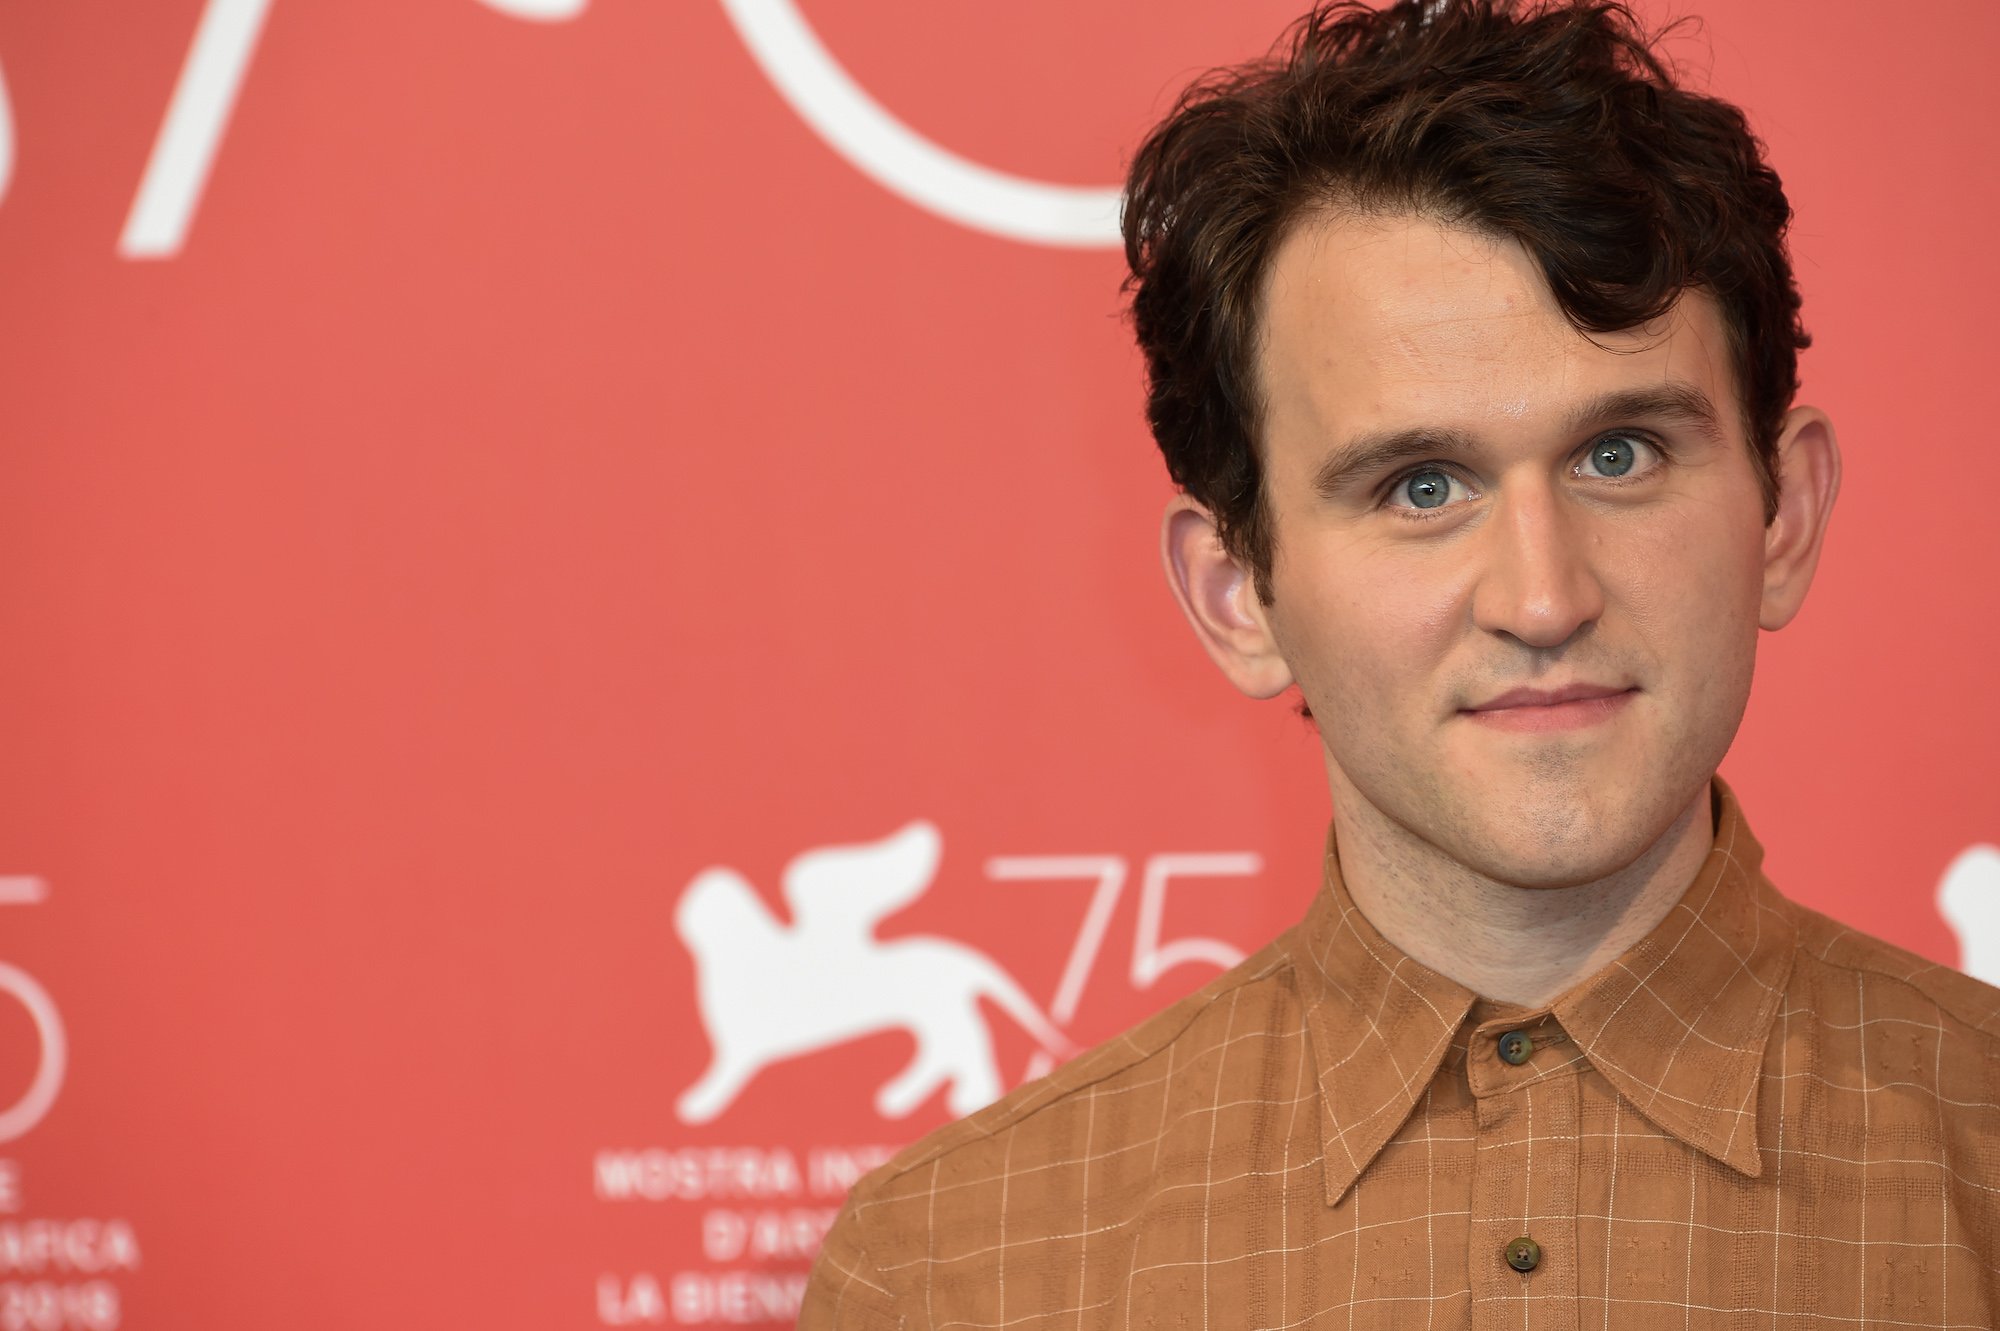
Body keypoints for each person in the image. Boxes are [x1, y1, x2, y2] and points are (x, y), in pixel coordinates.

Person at [798, 1, 2000, 1324]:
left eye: (1620, 456)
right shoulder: (958, 1267)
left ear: (1783, 515)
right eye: (1422, 485)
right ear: (1237, 593)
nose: (1544, 597)